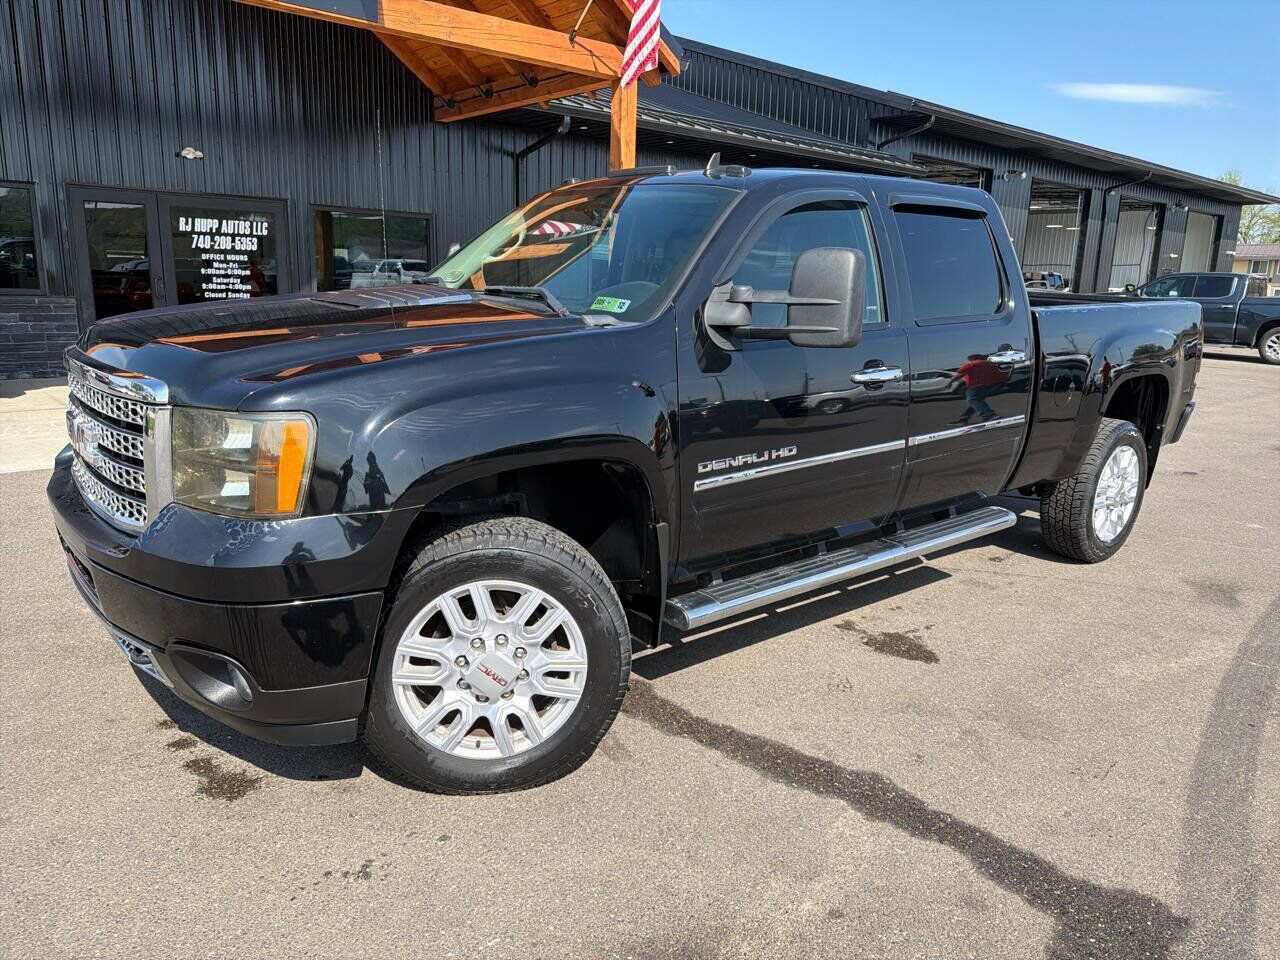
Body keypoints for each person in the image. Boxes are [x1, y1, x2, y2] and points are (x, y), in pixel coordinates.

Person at [948, 354, 1009, 425]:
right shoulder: (989, 364)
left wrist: (950, 382)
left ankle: (989, 414)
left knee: (973, 400)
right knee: (976, 402)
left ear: (973, 359)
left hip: (974, 387)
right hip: (987, 387)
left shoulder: (971, 364)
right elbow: (1000, 373)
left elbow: (960, 374)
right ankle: (964, 418)